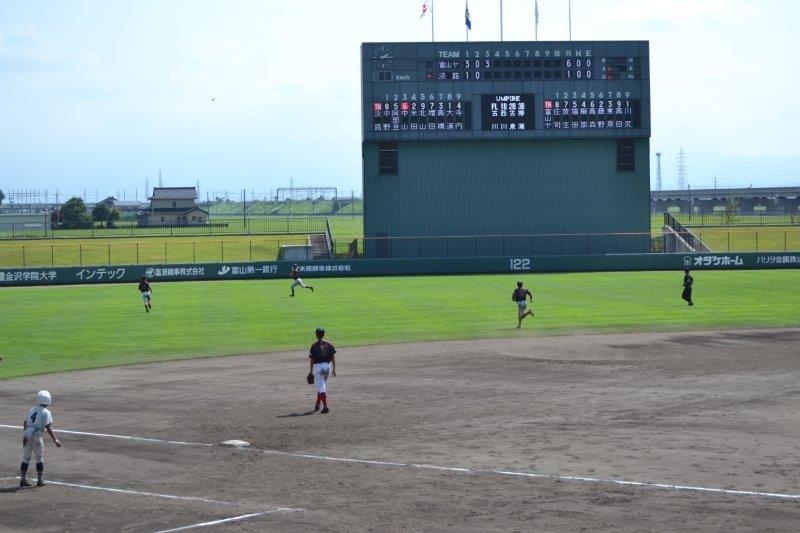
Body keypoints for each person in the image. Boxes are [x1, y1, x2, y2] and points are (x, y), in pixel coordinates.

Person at [20, 390, 62, 488]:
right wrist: (55, 440)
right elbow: (48, 427)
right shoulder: (46, 412)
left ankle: (22, 480)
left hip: (26, 435)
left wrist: (26, 434)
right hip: (36, 436)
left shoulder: (32, 409)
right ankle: (40, 481)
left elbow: (25, 423)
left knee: (25, 458)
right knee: (39, 458)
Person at [309, 327, 336, 413]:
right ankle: (317, 404)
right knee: (321, 385)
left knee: (321, 386)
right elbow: (333, 357)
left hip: (319, 367)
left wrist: (311, 371)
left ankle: (325, 406)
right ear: (323, 335)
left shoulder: (314, 345)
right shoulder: (329, 344)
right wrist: (334, 369)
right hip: (327, 367)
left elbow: (312, 360)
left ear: (317, 335)